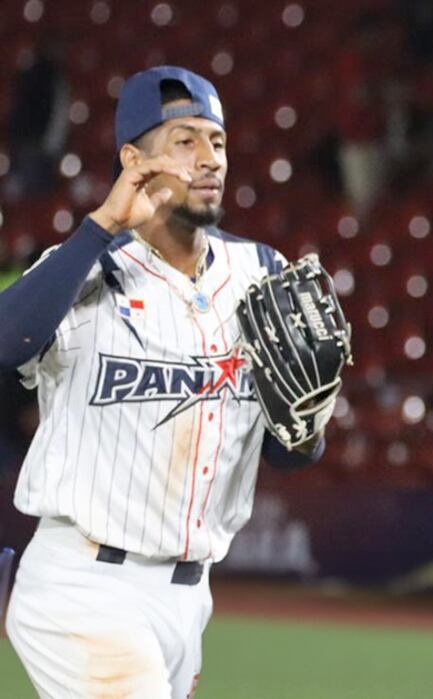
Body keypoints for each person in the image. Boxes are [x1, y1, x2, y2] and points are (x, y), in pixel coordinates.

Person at [0, 66, 325, 698]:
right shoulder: (87, 269)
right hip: (82, 585)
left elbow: (291, 452)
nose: (210, 160)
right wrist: (100, 228)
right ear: (133, 158)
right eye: (185, 141)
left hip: (189, 598)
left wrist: (310, 420)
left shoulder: (261, 273)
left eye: (219, 142)